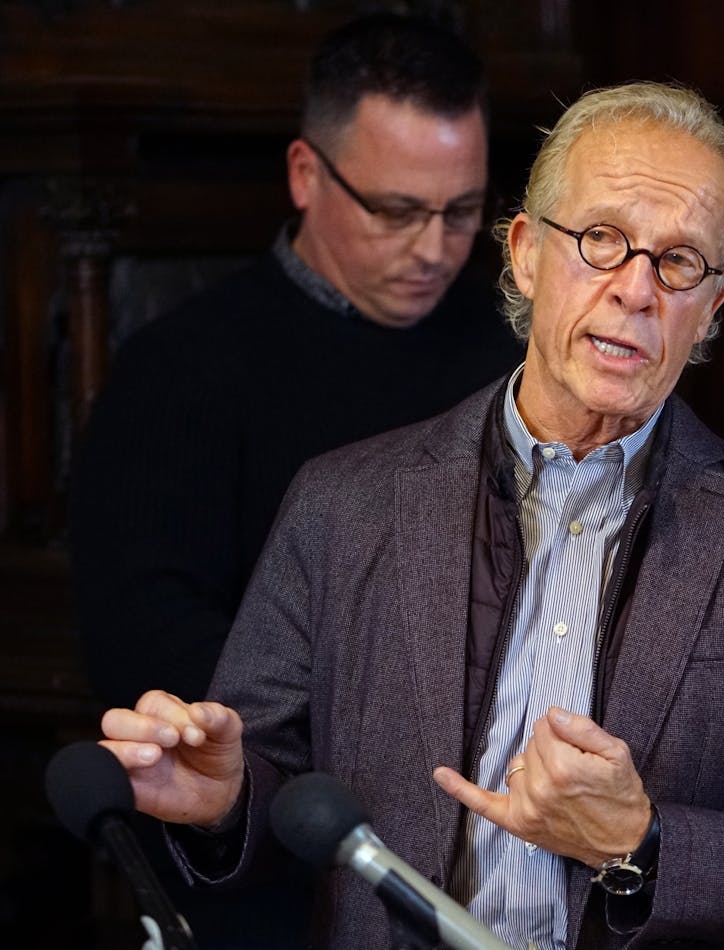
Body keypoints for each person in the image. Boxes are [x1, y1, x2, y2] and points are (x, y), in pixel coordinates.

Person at [97, 81, 724, 949]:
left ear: (713, 309)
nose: (636, 290)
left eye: (679, 263)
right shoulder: (344, 503)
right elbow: (274, 784)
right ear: (523, 252)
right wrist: (225, 800)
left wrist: (646, 842)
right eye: (602, 241)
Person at [67, 14, 522, 947]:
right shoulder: (181, 369)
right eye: (397, 211)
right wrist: (387, 741)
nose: (435, 247)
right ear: (306, 175)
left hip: (504, 837)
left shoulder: (509, 348)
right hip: (276, 854)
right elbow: (146, 638)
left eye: (464, 211)